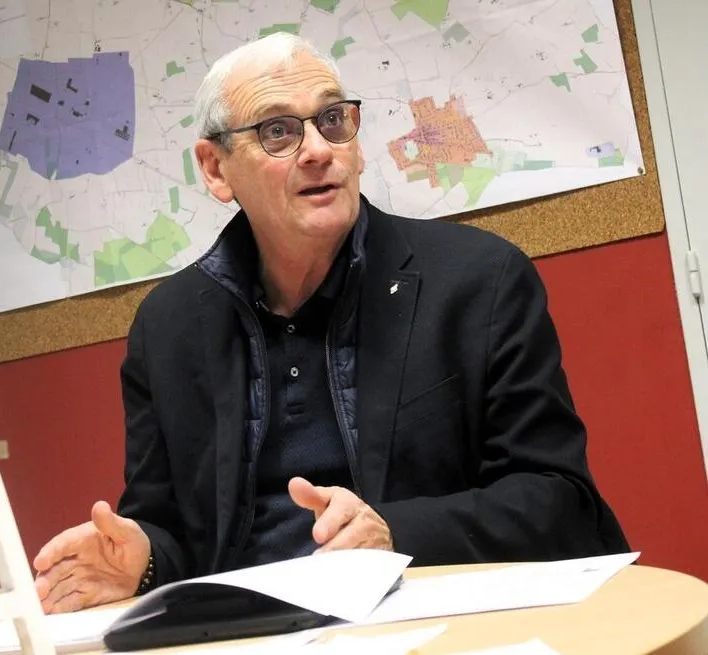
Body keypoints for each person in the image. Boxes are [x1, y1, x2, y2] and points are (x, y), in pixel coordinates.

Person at [32, 33, 629, 614]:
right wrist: (141, 558)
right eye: (278, 131)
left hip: (425, 618)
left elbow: (559, 500)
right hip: (249, 632)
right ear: (215, 169)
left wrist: (392, 532)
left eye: (333, 120)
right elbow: (170, 529)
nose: (318, 150)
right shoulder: (169, 326)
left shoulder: (478, 281)